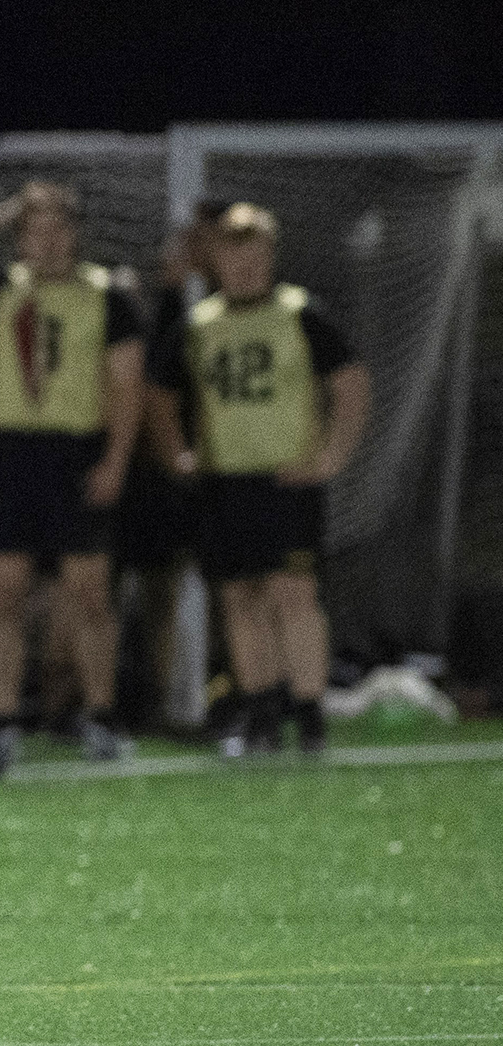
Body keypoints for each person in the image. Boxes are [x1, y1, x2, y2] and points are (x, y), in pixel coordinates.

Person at [0, 181, 146, 768]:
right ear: (22, 237)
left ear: (76, 235)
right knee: (3, 594)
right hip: (14, 456)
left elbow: (125, 387)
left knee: (88, 594)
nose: (48, 240)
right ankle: (2, 719)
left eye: (59, 228)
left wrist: (115, 459)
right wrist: (5, 213)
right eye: (36, 229)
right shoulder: (6, 289)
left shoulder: (108, 296)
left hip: (77, 451)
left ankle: (98, 716)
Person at [145, 203, 369, 754]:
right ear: (217, 259)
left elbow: (351, 384)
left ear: (270, 255)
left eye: (254, 254)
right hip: (226, 481)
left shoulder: (301, 314)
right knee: (239, 597)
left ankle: (310, 711)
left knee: (292, 592)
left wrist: (332, 456)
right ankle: (262, 711)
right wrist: (177, 454)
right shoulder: (200, 326)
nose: (244, 267)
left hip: (286, 481)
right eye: (232, 254)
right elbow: (160, 398)